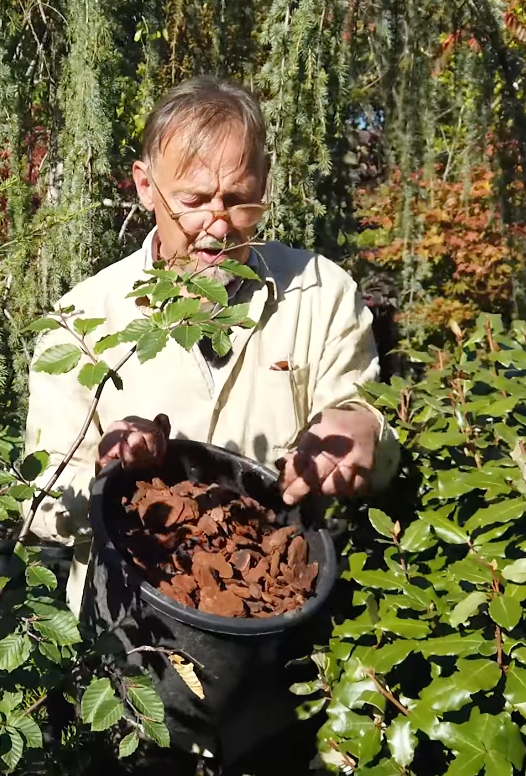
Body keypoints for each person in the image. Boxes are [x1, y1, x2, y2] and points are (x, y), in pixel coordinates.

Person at [24, 75, 398, 616]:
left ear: (264, 184)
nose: (218, 225)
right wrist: (110, 479)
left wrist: (365, 431)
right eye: (194, 200)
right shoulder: (81, 320)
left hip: (278, 621)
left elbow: (372, 448)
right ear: (145, 186)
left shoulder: (322, 294)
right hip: (130, 628)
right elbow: (42, 502)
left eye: (239, 200)